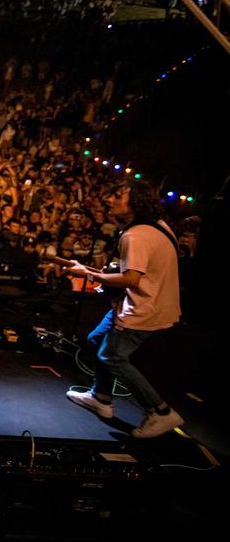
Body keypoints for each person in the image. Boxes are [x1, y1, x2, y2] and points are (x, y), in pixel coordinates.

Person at [65, 180, 183, 438]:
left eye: (117, 197)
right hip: (144, 302)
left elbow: (130, 279)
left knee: (112, 356)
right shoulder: (157, 227)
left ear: (135, 203)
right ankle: (101, 398)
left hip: (142, 309)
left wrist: (89, 275)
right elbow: (140, 274)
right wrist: (90, 270)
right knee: (97, 340)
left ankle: (160, 412)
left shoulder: (135, 236)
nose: (109, 200)